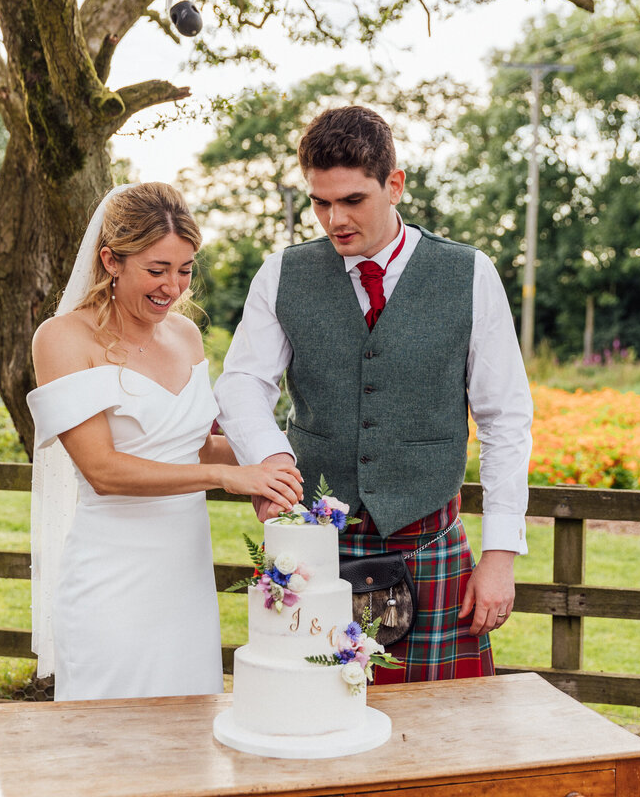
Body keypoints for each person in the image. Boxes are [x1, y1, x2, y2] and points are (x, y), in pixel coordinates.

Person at [215, 106, 534, 683]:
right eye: (320, 201)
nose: (333, 219)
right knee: (309, 722)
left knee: (442, 736)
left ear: (395, 184)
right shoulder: (282, 274)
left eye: (352, 200)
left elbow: (505, 418)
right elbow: (241, 382)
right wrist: (272, 462)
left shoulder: (469, 273)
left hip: (428, 545)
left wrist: (500, 555)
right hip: (312, 549)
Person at [27, 182, 303, 701]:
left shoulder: (186, 336)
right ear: (111, 260)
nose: (172, 287)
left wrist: (275, 458)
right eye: (156, 270)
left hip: (185, 577)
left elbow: (193, 447)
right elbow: (103, 471)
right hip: (112, 580)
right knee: (109, 738)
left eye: (185, 269)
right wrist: (228, 476)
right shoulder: (62, 338)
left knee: (187, 736)